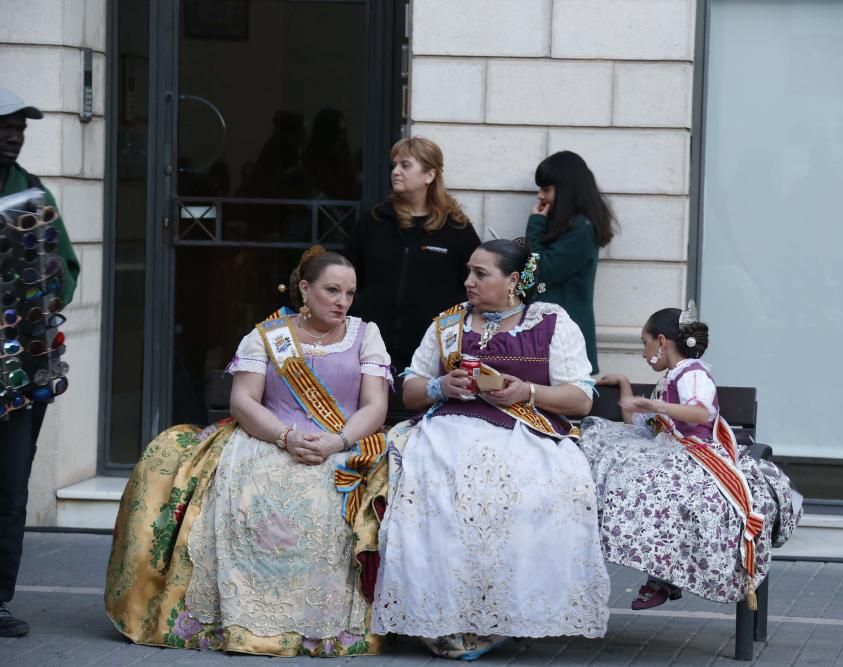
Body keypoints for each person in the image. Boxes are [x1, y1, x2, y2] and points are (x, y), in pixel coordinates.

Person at [105, 247, 393, 657]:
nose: (342, 302)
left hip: (343, 445)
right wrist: (286, 438)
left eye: (349, 293)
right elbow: (244, 401)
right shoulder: (267, 335)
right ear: (305, 288)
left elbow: (375, 406)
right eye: (332, 290)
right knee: (252, 494)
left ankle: (314, 625)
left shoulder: (366, 334)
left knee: (324, 501)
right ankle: (246, 619)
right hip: (268, 440)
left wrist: (338, 441)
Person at [372, 239, 610, 660]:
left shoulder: (551, 322)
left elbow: (581, 399)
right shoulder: (447, 325)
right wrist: (439, 386)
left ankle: (502, 615)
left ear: (514, 281)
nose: (468, 282)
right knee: (435, 483)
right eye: (468, 271)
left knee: (516, 485)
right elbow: (410, 391)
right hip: (446, 431)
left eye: (481, 274)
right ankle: (445, 616)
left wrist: (528, 391)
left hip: (527, 434)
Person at [580, 303, 801, 610]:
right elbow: (642, 422)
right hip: (671, 450)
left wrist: (657, 407)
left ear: (661, 341)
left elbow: (700, 412)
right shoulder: (672, 378)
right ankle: (654, 569)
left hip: (695, 455)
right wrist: (625, 386)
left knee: (657, 491)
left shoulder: (692, 373)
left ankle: (661, 574)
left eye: (644, 345)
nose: (644, 354)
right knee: (614, 466)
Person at [0, 87, 80, 638]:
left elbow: (67, 271)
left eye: (20, 127)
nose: (13, 134)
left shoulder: (32, 193)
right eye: (4, 125)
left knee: (9, 486)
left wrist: (42, 292)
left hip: (21, 371)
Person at [346, 136, 480, 373]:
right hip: (372, 350)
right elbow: (348, 276)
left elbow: (475, 289)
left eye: (405, 165)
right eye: (394, 165)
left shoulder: (457, 229)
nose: (395, 171)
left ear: (429, 175)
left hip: (433, 355)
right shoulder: (373, 222)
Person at [525, 151, 614, 373]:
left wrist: (535, 224)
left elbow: (541, 269)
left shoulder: (581, 230)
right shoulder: (570, 227)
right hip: (551, 331)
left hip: (564, 337)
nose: (540, 196)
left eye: (546, 189)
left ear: (565, 190)